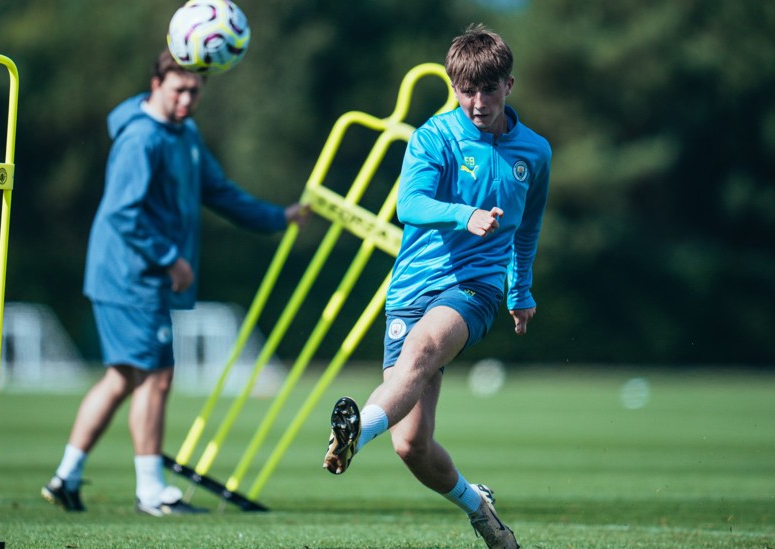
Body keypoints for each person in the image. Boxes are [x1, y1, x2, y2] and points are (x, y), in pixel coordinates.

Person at [42, 49, 310, 517]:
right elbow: (122, 213)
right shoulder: (141, 139)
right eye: (179, 89)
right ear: (156, 84)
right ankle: (151, 492)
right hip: (130, 275)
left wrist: (276, 217)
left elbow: (218, 191)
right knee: (157, 376)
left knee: (123, 376)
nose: (187, 98)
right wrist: (170, 259)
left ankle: (67, 476)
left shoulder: (184, 134)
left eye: (195, 90)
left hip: (136, 275)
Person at [322, 24, 550, 549]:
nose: (477, 102)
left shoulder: (533, 153)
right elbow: (411, 205)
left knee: (424, 347)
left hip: (475, 287)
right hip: (412, 287)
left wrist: (520, 290)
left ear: (508, 85)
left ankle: (356, 431)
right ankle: (480, 508)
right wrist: (464, 214)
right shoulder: (434, 137)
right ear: (453, 87)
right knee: (411, 447)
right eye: (465, 90)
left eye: (488, 90)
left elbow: (528, 227)